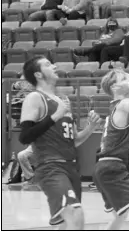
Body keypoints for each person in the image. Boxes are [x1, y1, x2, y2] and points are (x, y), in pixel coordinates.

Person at [18, 55, 101, 229]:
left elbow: (75, 141)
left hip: (71, 167)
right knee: (75, 214)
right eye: (48, 65)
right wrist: (55, 115)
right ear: (39, 75)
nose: (54, 66)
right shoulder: (35, 98)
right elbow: (24, 137)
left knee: (64, 224)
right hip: (51, 166)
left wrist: (90, 127)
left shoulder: (63, 101)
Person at [93, 69, 129, 230]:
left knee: (121, 215)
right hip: (112, 168)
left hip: (104, 167)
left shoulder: (115, 107)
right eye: (124, 78)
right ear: (114, 88)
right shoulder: (123, 105)